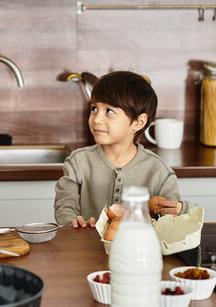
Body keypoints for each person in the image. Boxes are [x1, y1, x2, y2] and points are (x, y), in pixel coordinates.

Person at [54, 71, 192, 228]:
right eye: (94, 109)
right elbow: (64, 207)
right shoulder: (77, 162)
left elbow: (176, 221)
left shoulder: (159, 171)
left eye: (109, 111)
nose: (97, 119)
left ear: (138, 122)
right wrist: (73, 223)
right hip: (85, 249)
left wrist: (181, 209)